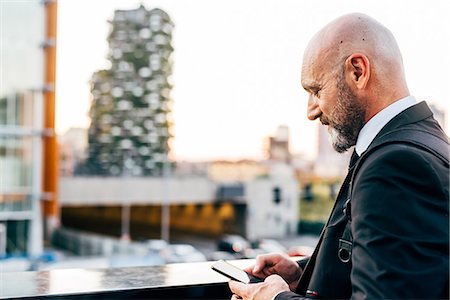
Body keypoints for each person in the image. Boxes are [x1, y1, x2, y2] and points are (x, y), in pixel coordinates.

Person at [229, 13, 449, 299]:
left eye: (315, 90)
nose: (311, 111)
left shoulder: (393, 165)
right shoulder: (426, 141)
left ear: (358, 71)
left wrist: (274, 298)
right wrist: (304, 273)